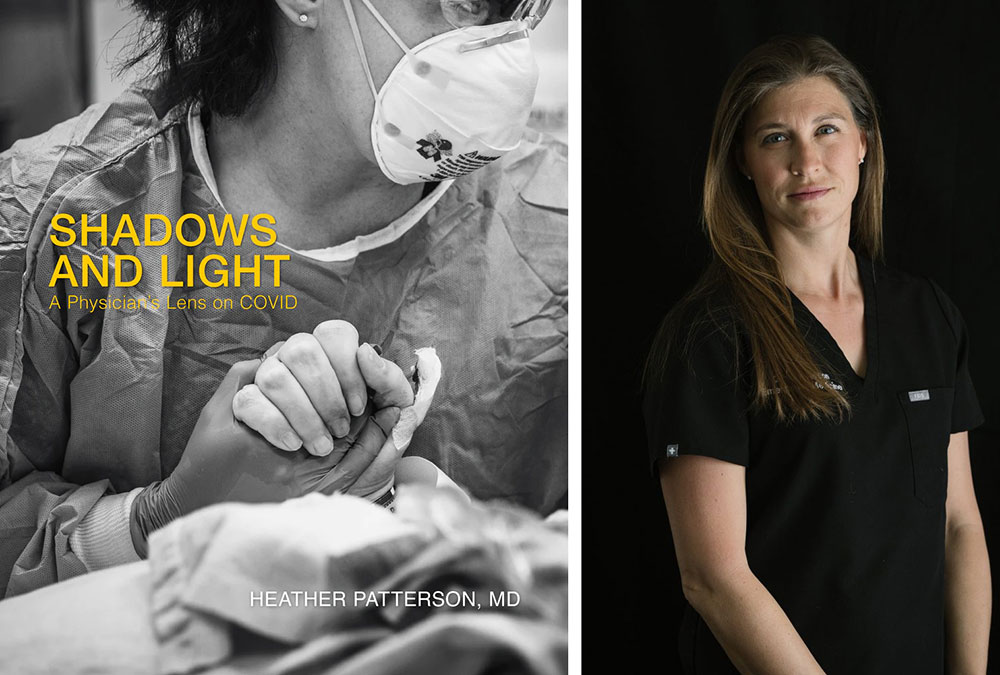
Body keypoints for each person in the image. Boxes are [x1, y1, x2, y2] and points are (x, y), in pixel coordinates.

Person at [0, 0, 566, 598]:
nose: (500, 47)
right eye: (462, 1)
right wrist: (158, 521)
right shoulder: (49, 221)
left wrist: (459, 543)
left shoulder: (560, 234)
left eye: (520, 7)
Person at [642, 35, 990, 674]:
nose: (807, 161)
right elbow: (713, 578)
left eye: (826, 130)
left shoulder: (929, 316)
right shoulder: (709, 335)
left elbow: (959, 525)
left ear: (864, 143)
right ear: (744, 161)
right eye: (776, 138)